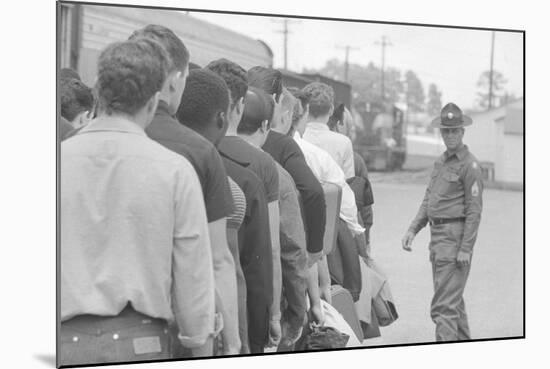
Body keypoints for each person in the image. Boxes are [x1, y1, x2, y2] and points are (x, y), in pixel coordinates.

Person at [60, 38, 216, 365]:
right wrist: (200, 343)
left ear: (98, 91)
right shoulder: (174, 171)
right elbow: (193, 278)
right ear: (153, 100)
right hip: (141, 343)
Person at [128, 25, 239, 355]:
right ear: (175, 80)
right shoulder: (201, 153)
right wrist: (232, 341)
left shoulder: (72, 144)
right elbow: (218, 260)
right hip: (171, 332)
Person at [205, 58, 274, 354]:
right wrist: (266, 321)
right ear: (238, 106)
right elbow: (260, 257)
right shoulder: (258, 171)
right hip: (231, 319)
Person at [402, 102, 483, 342]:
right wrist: (413, 228)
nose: (450, 135)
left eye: (454, 130)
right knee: (452, 305)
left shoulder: (470, 165)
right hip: (438, 240)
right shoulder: (441, 162)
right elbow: (430, 199)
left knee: (443, 309)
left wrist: (466, 248)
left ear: (462, 132)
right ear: (441, 132)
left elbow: (474, 211)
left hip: (454, 240)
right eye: (445, 131)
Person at [249, 67, 326, 265]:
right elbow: (313, 191)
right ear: (275, 100)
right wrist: (315, 249)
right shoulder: (283, 144)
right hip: (275, 250)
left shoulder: (224, 137)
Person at [301, 82, 355, 180]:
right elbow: (349, 182)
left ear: (304, 109)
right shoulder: (344, 143)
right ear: (331, 110)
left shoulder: (295, 139)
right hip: (334, 194)